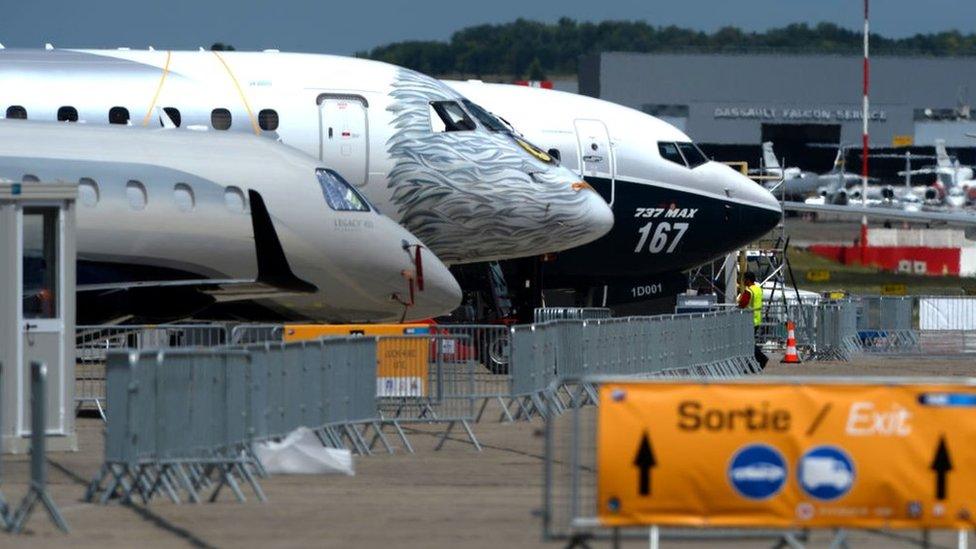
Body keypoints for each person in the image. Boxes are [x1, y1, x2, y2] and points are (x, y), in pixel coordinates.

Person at [738, 271, 768, 369]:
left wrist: (739, 301)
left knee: (748, 343)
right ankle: (753, 363)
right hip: (757, 319)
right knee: (750, 342)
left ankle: (762, 359)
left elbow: (742, 304)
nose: (743, 282)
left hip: (749, 321)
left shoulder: (749, 291)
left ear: (748, 280)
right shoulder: (758, 289)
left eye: (744, 279)